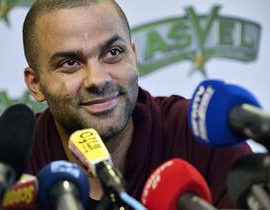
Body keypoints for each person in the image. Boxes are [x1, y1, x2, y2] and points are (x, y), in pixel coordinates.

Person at [22, 0, 252, 209]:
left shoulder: (200, 135)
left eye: (113, 52)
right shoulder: (7, 173)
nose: (98, 79)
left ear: (133, 55)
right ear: (36, 84)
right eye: (70, 63)